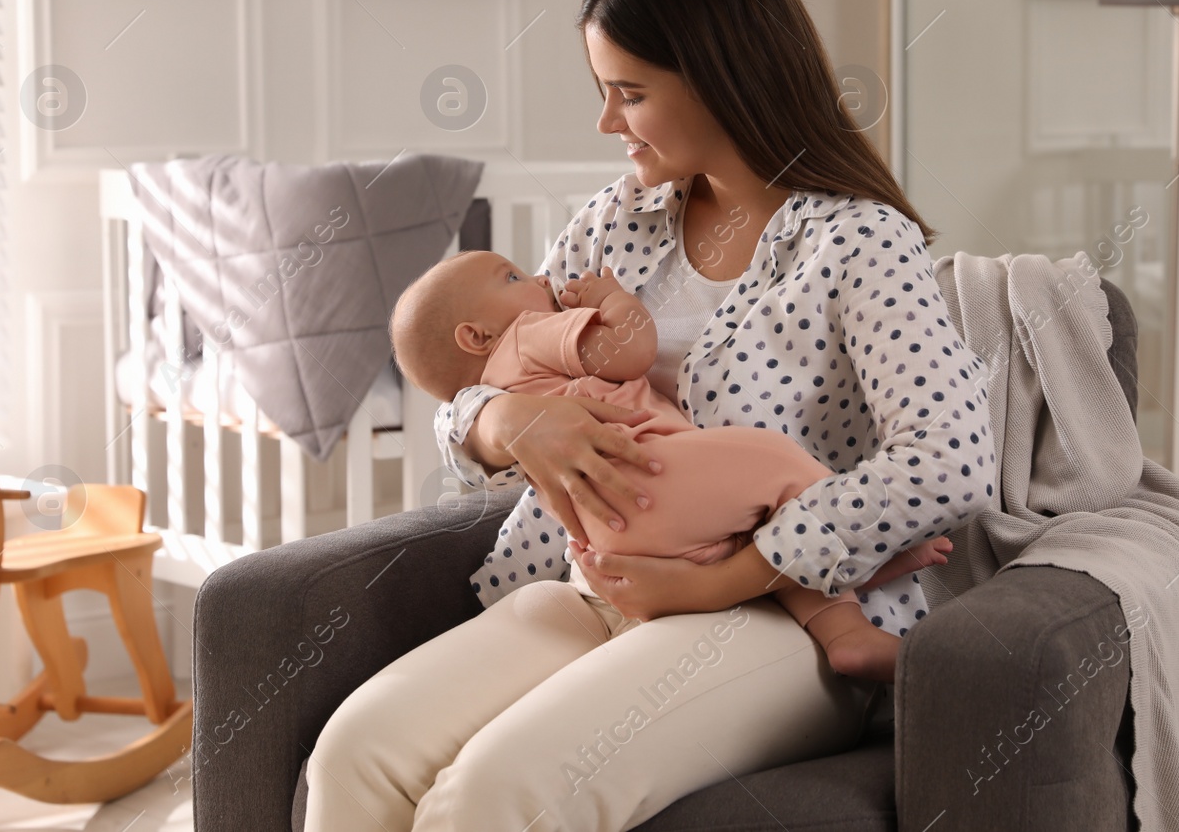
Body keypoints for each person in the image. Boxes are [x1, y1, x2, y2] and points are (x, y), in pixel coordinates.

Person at [303, 0, 997, 832]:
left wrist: (728, 576)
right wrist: (496, 425)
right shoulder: (609, 225)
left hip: (782, 618)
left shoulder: (856, 241)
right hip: (591, 583)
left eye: (627, 93)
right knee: (355, 752)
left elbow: (950, 455)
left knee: (493, 795)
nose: (605, 121)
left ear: (721, 78)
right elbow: (488, 372)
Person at [390, 248, 956, 681]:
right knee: (775, 462)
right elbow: (628, 349)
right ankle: (854, 584)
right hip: (644, 472)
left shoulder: (501, 370)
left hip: (610, 530)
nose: (540, 277)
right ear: (476, 336)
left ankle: (843, 632)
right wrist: (609, 300)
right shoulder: (526, 335)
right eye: (511, 278)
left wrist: (500, 412)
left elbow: (459, 410)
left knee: (754, 532)